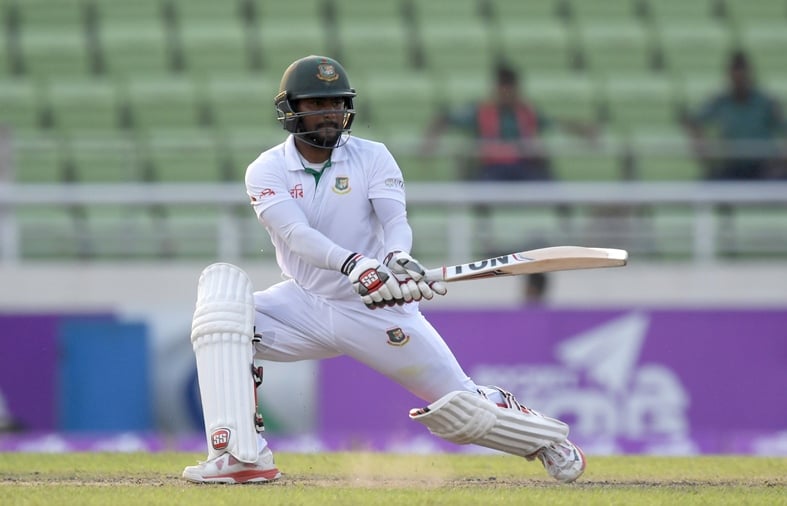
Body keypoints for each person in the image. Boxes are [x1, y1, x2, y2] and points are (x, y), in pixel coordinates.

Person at [181, 55, 586, 485]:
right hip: (305, 302)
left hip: (376, 308)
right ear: (292, 109)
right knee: (222, 315)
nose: (330, 114)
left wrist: (396, 261)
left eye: (336, 103)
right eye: (317, 104)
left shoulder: (373, 157)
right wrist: (355, 264)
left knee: (462, 408)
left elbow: (395, 223)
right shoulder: (266, 170)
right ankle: (241, 456)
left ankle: (545, 439)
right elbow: (296, 233)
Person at [422, 62, 597, 181]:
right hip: (492, 171)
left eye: (510, 89)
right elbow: (446, 119)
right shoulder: (480, 111)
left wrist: (582, 129)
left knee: (551, 186)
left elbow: (555, 123)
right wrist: (431, 139)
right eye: (503, 88)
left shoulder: (527, 112)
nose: (507, 93)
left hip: (524, 168)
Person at [684, 50, 786, 180]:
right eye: (735, 77)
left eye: (742, 77)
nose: (739, 82)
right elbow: (693, 122)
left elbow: (783, 126)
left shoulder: (766, 102)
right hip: (733, 166)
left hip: (764, 166)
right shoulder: (720, 101)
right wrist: (700, 143)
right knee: (709, 181)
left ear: (749, 75)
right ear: (729, 76)